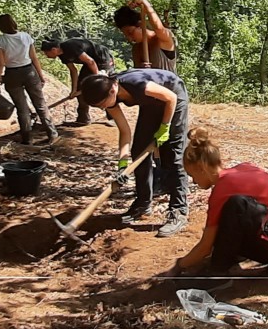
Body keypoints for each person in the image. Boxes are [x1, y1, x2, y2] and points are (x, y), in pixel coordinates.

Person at [170, 127, 268, 279]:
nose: (193, 181)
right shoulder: (244, 168)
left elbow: (205, 246)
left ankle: (218, 274)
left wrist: (180, 265)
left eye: (192, 175)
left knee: (236, 206)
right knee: (228, 219)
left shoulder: (222, 189)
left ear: (201, 169)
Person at [77, 69, 190, 237]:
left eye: (102, 104)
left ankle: (179, 211)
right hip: (151, 103)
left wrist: (165, 127)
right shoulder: (109, 97)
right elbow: (125, 131)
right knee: (139, 150)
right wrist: (122, 164)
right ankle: (143, 203)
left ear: (113, 90)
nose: (102, 108)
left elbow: (170, 98)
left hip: (173, 95)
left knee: (173, 155)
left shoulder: (136, 84)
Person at [0, 14, 57, 145]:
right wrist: (40, 75)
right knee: (40, 104)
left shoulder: (1, 40)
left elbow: (1, 63)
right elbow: (34, 58)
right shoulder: (26, 37)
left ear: (0, 26)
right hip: (29, 72)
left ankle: (27, 138)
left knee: (22, 108)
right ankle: (52, 133)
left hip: (12, 74)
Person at [40, 37, 115, 126]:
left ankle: (113, 118)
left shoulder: (71, 46)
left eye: (46, 52)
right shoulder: (62, 55)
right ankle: (83, 118)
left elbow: (91, 62)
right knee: (81, 86)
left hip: (103, 59)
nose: (46, 55)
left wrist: (97, 79)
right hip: (89, 63)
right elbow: (73, 70)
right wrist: (74, 90)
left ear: (54, 49)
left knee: (103, 89)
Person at [113, 0, 178, 72]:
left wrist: (145, 4)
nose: (130, 38)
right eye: (126, 35)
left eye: (130, 33)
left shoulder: (162, 38)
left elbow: (158, 28)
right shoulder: (136, 49)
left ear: (140, 25)